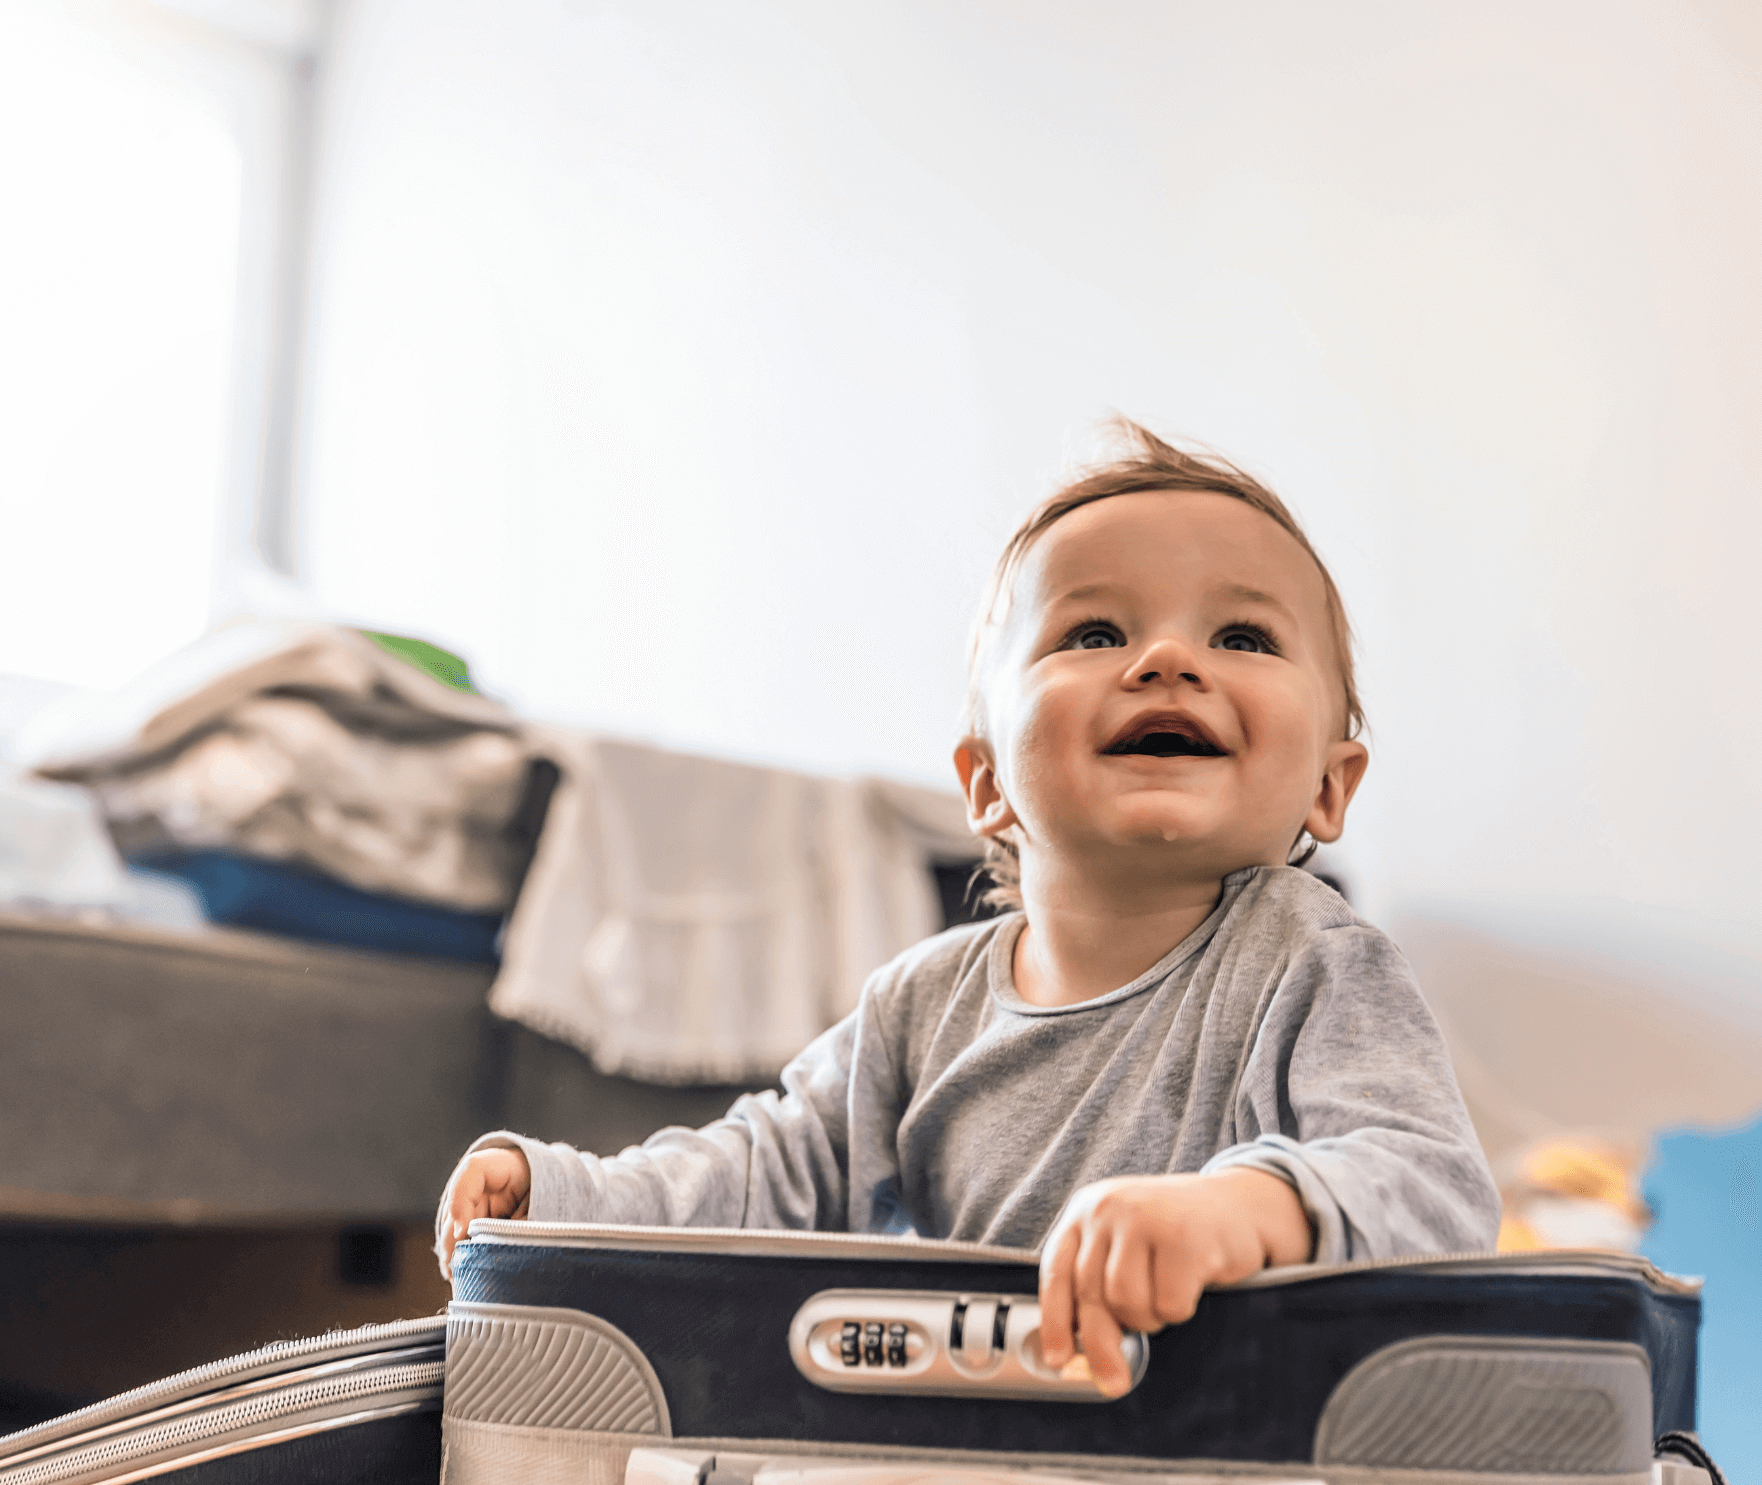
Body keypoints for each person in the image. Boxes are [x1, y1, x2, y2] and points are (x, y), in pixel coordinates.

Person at [438, 421, 1498, 1392]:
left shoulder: (1314, 961)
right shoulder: (920, 1003)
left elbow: (1433, 1191)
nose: (1165, 659)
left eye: (1243, 637)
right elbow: (762, 1170)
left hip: (1235, 1455)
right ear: (984, 781)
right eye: (1091, 631)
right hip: (971, 1441)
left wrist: (1244, 1208)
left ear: (1328, 782)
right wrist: (568, 1198)